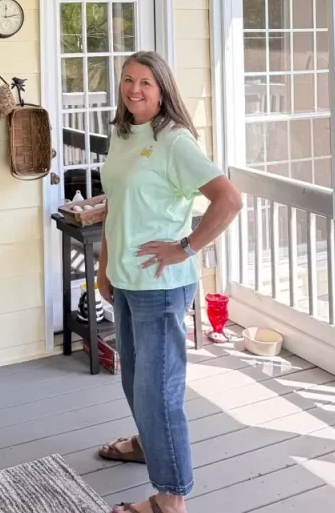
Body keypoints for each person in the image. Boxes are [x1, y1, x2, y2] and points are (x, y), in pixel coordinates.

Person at [96, 51, 242, 513]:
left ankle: (171, 497)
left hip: (159, 286)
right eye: (127, 79)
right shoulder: (123, 134)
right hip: (126, 279)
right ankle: (148, 444)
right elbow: (115, 205)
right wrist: (104, 266)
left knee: (158, 393)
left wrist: (186, 247)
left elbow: (229, 199)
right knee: (135, 380)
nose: (134, 89)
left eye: (145, 82)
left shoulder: (175, 141)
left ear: (162, 91)